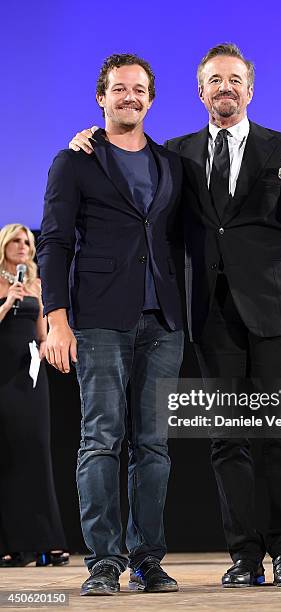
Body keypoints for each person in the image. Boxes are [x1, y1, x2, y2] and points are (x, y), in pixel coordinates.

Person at [69, 43, 281, 588]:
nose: (225, 88)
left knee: (279, 433)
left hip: (277, 310)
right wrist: (93, 140)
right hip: (210, 313)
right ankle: (243, 554)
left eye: (235, 80)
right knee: (228, 440)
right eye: (215, 80)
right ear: (201, 91)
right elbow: (135, 178)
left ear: (250, 90)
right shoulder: (176, 153)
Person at [37, 54, 184, 596]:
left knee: (154, 448)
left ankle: (148, 559)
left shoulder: (171, 164)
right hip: (98, 320)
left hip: (163, 323)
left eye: (139, 89)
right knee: (101, 440)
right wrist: (55, 319)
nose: (129, 97)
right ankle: (103, 561)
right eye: (119, 89)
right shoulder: (74, 160)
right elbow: (54, 241)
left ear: (150, 98)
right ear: (101, 98)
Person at [0, 223, 68, 568]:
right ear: (4, 245)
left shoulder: (36, 284)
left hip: (29, 378)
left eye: (28, 241)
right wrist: (7, 301)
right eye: (17, 240)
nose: (24, 245)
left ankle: (46, 540)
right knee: (7, 457)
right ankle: (10, 544)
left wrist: (45, 347)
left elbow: (41, 333)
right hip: (1, 376)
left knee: (36, 454)